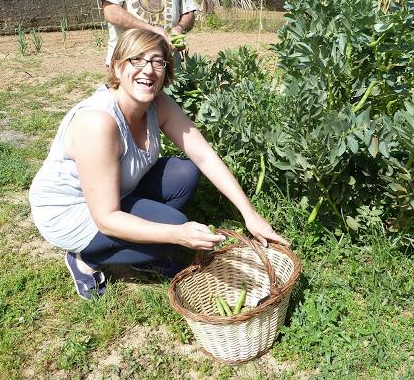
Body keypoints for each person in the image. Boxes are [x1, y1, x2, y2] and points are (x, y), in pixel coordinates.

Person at [29, 28, 288, 300]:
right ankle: (85, 259)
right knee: (173, 227)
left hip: (113, 192)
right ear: (117, 68)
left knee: (184, 172)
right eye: (136, 60)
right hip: (70, 211)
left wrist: (250, 214)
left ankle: (144, 252)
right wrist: (176, 234)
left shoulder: (159, 105)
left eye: (157, 61)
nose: (148, 70)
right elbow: (105, 219)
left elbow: (204, 155)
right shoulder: (98, 123)